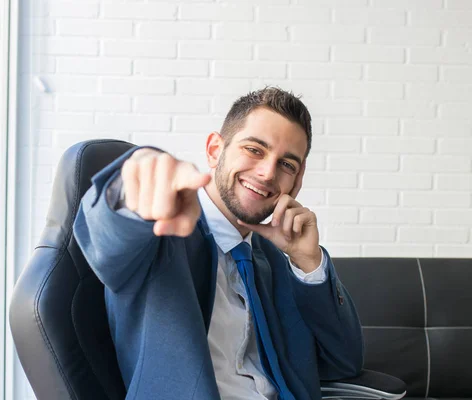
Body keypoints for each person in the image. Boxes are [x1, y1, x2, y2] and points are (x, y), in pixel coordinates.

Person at [73, 87, 363, 400]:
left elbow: (344, 362)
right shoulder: (160, 239)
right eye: (254, 149)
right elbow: (109, 238)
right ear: (214, 150)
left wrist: (309, 263)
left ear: (297, 180)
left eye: (287, 164)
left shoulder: (277, 260)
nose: (267, 173)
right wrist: (136, 181)